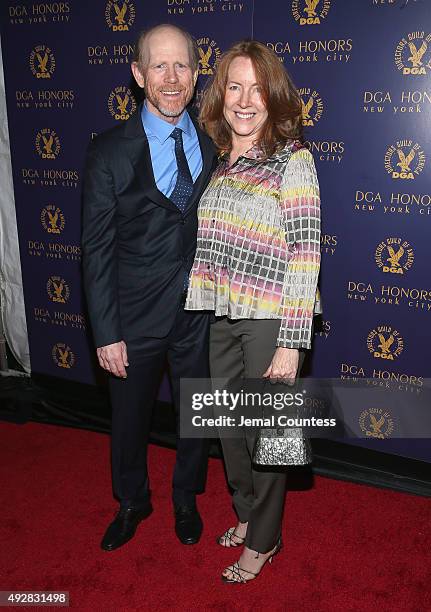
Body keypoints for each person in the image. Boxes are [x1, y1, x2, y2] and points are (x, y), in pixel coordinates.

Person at [185, 40, 321, 582]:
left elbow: (306, 252)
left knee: (269, 439)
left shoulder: (294, 161)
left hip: (270, 320)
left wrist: (292, 340)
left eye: (257, 88)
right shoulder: (223, 159)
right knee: (231, 433)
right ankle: (247, 515)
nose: (244, 100)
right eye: (234, 86)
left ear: (274, 96)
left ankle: (264, 541)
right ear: (221, 95)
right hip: (223, 315)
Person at [82, 24, 215, 551]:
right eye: (158, 66)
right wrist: (106, 329)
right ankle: (133, 500)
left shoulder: (210, 143)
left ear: (195, 73)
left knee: (194, 415)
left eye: (181, 65)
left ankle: (187, 496)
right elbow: (95, 248)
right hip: (132, 320)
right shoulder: (109, 151)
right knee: (129, 423)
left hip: (197, 316)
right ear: (138, 76)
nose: (171, 77)